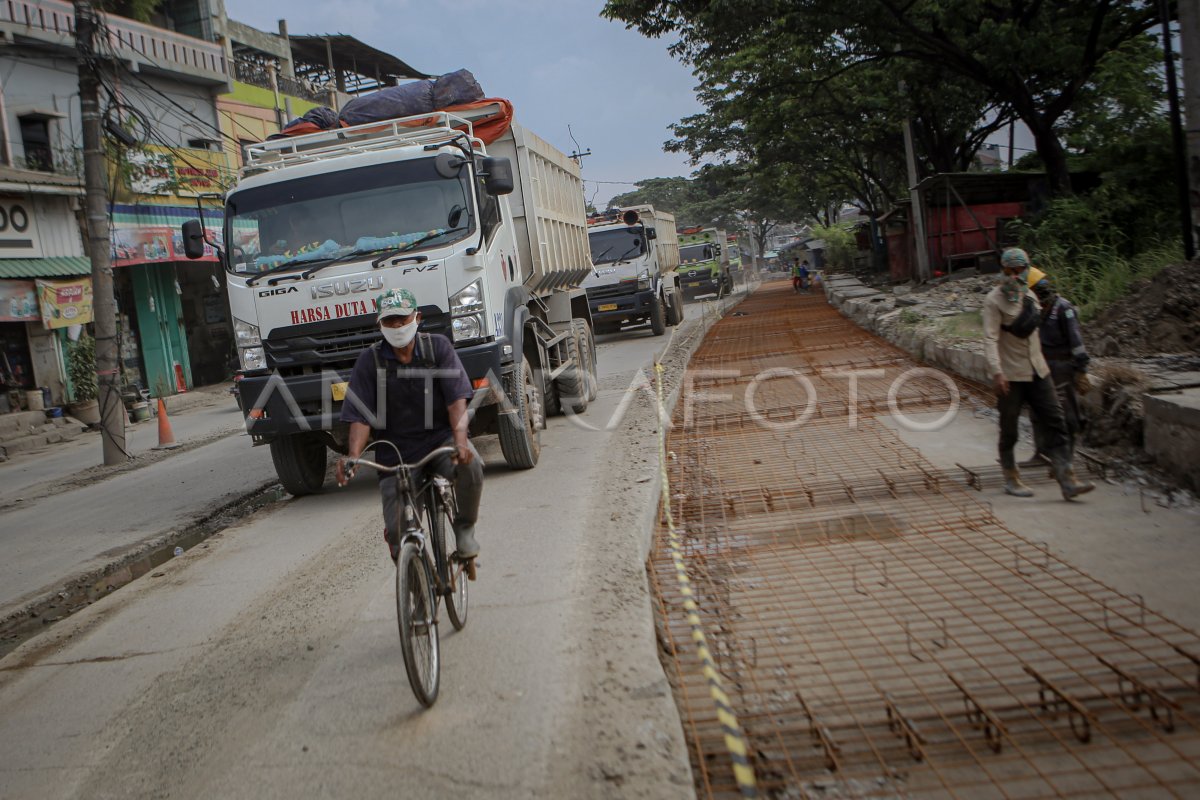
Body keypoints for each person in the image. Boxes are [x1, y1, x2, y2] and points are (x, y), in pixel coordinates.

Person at [335, 288, 483, 561]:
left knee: (471, 465)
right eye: (389, 321)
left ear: (417, 317)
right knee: (398, 533)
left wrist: (460, 442)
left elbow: (455, 400)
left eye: (402, 319)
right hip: (395, 454)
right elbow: (359, 415)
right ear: (379, 325)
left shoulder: (437, 347)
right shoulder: (370, 361)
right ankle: (417, 590)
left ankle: (464, 529)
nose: (397, 326)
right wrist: (353, 457)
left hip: (440, 442)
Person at [982, 248, 1093, 500]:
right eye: (1011, 271)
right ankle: (1011, 476)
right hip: (1011, 374)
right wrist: (997, 373)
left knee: (1056, 420)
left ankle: (1067, 478)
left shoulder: (1030, 295)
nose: (1016, 276)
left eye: (1021, 271)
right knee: (1009, 428)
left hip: (1038, 371)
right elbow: (990, 339)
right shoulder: (993, 301)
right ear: (1003, 271)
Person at [1021, 269, 1092, 471]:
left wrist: (1081, 369)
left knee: (1065, 414)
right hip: (1040, 366)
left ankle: (1066, 457)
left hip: (1061, 367)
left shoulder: (1063, 309)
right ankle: (1041, 453)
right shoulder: (1034, 311)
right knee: (1036, 411)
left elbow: (1076, 341)